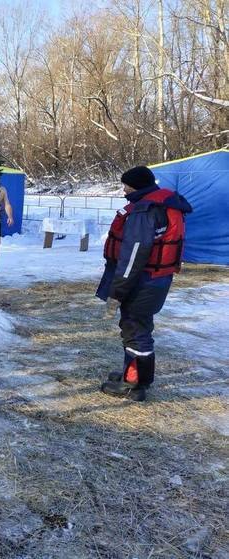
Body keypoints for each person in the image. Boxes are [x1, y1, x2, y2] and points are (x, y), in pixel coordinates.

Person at [97, 165, 192, 402]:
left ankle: (134, 385)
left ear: (137, 186)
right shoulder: (164, 203)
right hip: (157, 279)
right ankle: (136, 375)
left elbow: (133, 257)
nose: (124, 189)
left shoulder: (144, 211)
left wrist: (117, 292)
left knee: (135, 329)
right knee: (138, 327)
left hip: (143, 281)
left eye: (127, 185)